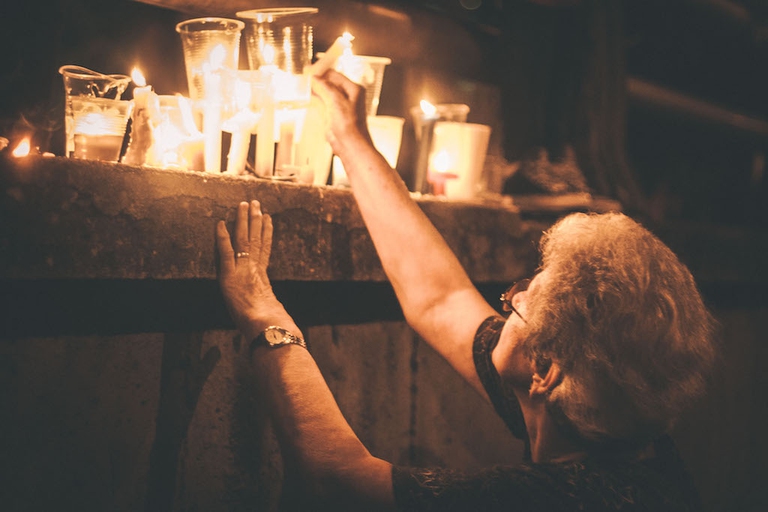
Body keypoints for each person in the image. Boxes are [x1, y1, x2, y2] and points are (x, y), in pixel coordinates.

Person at [215, 70, 716, 511]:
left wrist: (264, 315)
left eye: (525, 300)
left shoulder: (556, 498)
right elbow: (441, 299)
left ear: (544, 371)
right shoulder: (609, 428)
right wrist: (352, 139)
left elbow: (337, 482)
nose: (514, 300)